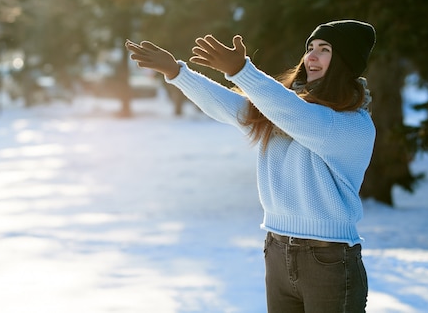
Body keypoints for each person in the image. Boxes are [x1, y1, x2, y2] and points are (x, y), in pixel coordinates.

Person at [125, 20, 376, 313]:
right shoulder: (282, 112)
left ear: (345, 61)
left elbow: (293, 113)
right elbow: (233, 107)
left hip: (329, 261)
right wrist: (177, 73)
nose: (311, 57)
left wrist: (242, 71)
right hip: (278, 251)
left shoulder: (349, 124)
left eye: (325, 49)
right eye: (310, 48)